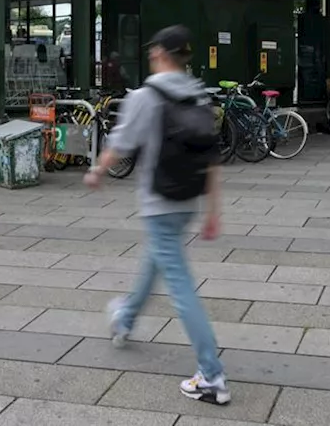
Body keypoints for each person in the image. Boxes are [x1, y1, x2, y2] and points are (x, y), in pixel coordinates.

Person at [85, 25, 230, 406]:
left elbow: (121, 143)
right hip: (187, 200)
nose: (150, 55)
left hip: (159, 202)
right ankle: (125, 319)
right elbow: (211, 156)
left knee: (180, 287)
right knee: (155, 260)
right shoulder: (198, 93)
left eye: (152, 49)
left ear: (160, 53)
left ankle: (212, 376)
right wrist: (213, 210)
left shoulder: (147, 96)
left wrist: (97, 171)